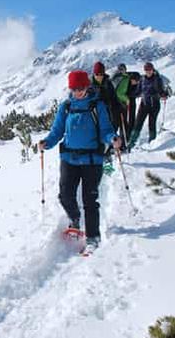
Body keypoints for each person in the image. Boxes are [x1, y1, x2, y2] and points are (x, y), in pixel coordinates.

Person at [39, 70, 122, 254]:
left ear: (87, 86)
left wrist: (112, 138)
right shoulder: (66, 107)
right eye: (74, 88)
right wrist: (47, 143)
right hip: (69, 159)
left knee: (89, 199)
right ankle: (75, 219)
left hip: (92, 160)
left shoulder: (96, 106)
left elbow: (106, 130)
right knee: (65, 195)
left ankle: (93, 237)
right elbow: (57, 131)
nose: (78, 91)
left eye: (81, 88)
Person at [128, 62, 167, 149]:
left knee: (151, 124)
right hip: (144, 104)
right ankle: (131, 143)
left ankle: (152, 143)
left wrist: (163, 94)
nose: (148, 71)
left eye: (149, 70)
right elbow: (138, 91)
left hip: (154, 104)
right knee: (138, 123)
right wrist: (129, 95)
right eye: (146, 70)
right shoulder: (142, 79)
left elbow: (160, 90)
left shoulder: (157, 79)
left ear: (153, 70)